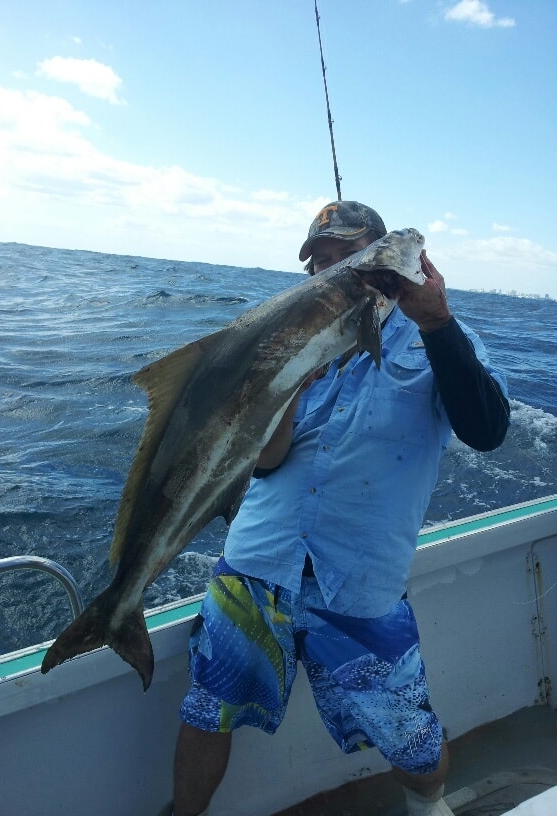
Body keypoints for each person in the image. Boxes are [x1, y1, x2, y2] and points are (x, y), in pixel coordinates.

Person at [163, 201, 510, 816]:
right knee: (207, 710)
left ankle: (427, 806)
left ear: (378, 262)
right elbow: (266, 464)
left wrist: (436, 323)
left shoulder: (443, 339)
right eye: (317, 263)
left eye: (344, 258)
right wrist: (287, 385)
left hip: (360, 581)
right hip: (257, 565)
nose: (328, 272)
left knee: (413, 740)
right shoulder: (296, 344)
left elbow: (486, 429)